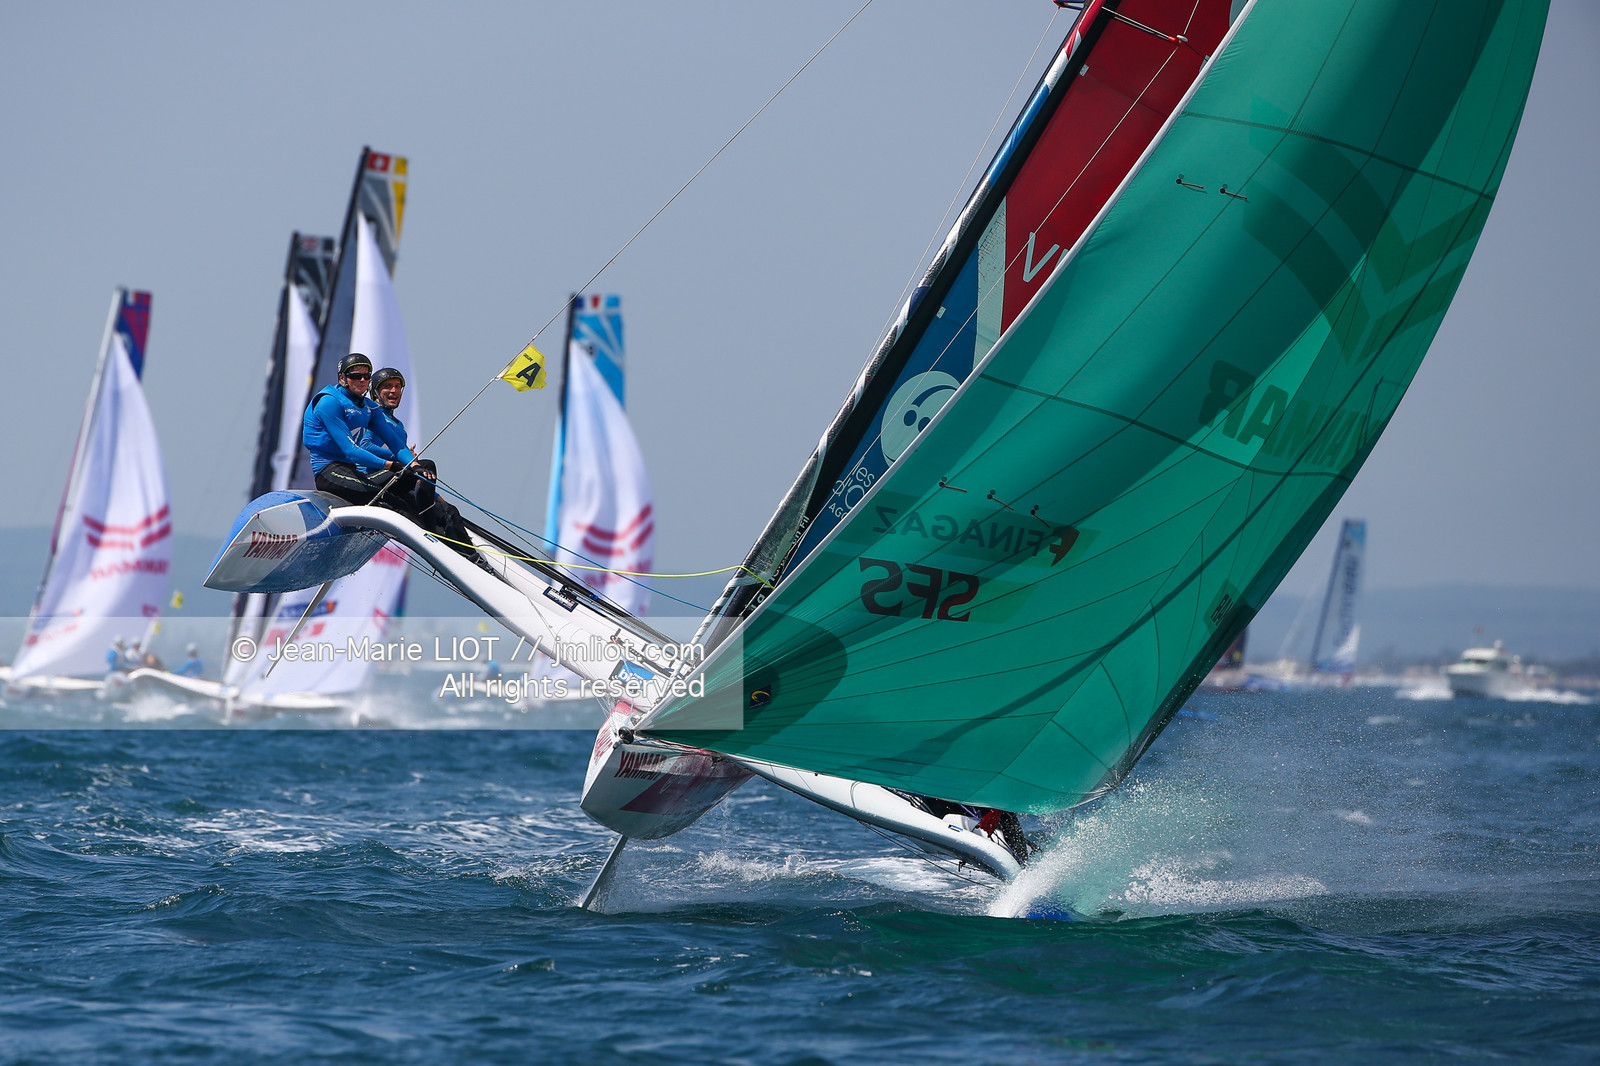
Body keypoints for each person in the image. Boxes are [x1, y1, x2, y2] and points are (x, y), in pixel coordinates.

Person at [360, 366, 484, 566]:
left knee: (450, 511)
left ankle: (473, 561)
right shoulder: (374, 417)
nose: (394, 391)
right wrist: (403, 459)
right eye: (387, 387)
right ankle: (430, 526)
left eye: (398, 387)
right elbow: (365, 446)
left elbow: (413, 470)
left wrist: (438, 498)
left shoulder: (398, 425)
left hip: (399, 482)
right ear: (375, 392)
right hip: (376, 482)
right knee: (426, 464)